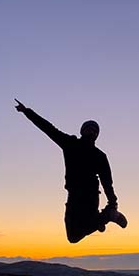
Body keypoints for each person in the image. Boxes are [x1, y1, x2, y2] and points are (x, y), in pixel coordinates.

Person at [15, 98, 127, 243]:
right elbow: (48, 128)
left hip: (85, 197)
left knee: (74, 236)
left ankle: (105, 218)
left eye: (94, 130)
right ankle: (101, 219)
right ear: (83, 131)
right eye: (89, 129)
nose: (91, 132)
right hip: (79, 197)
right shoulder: (77, 146)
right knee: (74, 236)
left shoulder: (88, 151)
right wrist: (26, 111)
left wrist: (113, 203)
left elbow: (107, 183)